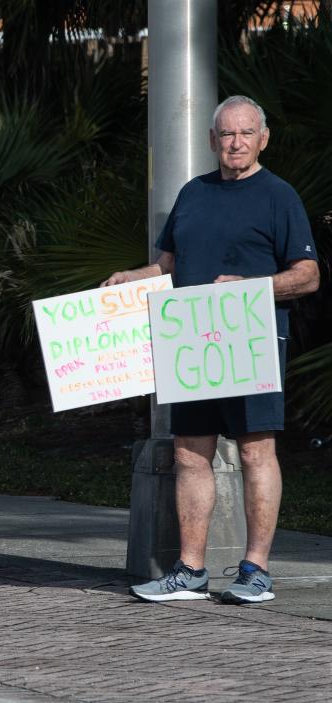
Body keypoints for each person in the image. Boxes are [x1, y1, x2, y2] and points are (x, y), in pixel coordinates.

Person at [103, 96, 319, 603]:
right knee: (190, 452)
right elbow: (167, 264)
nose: (236, 143)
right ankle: (191, 570)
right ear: (212, 140)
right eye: (226, 134)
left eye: (246, 133)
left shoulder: (279, 196)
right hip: (192, 341)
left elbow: (307, 277)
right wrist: (131, 278)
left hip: (251, 338)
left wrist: (251, 289)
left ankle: (256, 570)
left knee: (254, 450)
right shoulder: (193, 193)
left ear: (263, 138)